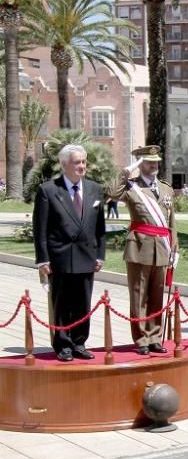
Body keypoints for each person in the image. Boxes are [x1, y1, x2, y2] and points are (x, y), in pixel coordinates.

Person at [32, 144, 106, 362]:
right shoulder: (48, 190)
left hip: (86, 257)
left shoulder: (94, 189)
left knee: (83, 303)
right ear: (64, 165)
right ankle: (63, 344)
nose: (81, 166)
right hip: (60, 258)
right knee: (62, 304)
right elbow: (40, 229)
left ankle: (79, 342)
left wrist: (100, 254)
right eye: (77, 162)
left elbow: (100, 228)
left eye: (83, 161)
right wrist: (42, 259)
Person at [107, 145, 176, 355]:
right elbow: (111, 193)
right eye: (148, 161)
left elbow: (171, 221)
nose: (154, 165)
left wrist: (175, 249)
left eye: (156, 161)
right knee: (139, 295)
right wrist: (126, 171)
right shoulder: (130, 187)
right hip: (139, 247)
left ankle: (155, 337)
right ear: (140, 163)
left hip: (162, 248)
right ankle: (141, 339)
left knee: (157, 295)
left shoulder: (166, 189)